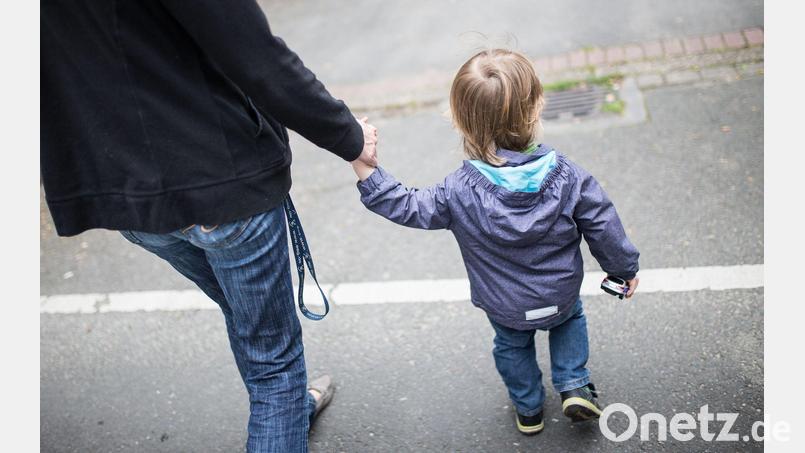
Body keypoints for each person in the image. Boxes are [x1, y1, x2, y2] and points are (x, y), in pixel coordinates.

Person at [41, 1, 376, 451]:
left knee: (248, 319)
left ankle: (289, 413)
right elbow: (256, 56)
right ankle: (283, 412)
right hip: (220, 180)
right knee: (273, 365)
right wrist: (348, 135)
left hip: (129, 198)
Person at [351, 49, 640, 435]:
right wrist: (623, 270)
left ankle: (529, 409)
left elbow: (408, 205)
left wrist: (363, 164)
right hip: (561, 293)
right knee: (570, 322)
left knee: (511, 346)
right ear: (536, 108)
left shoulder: (457, 190)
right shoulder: (569, 176)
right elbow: (604, 225)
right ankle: (573, 383)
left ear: (461, 121)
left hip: (504, 304)